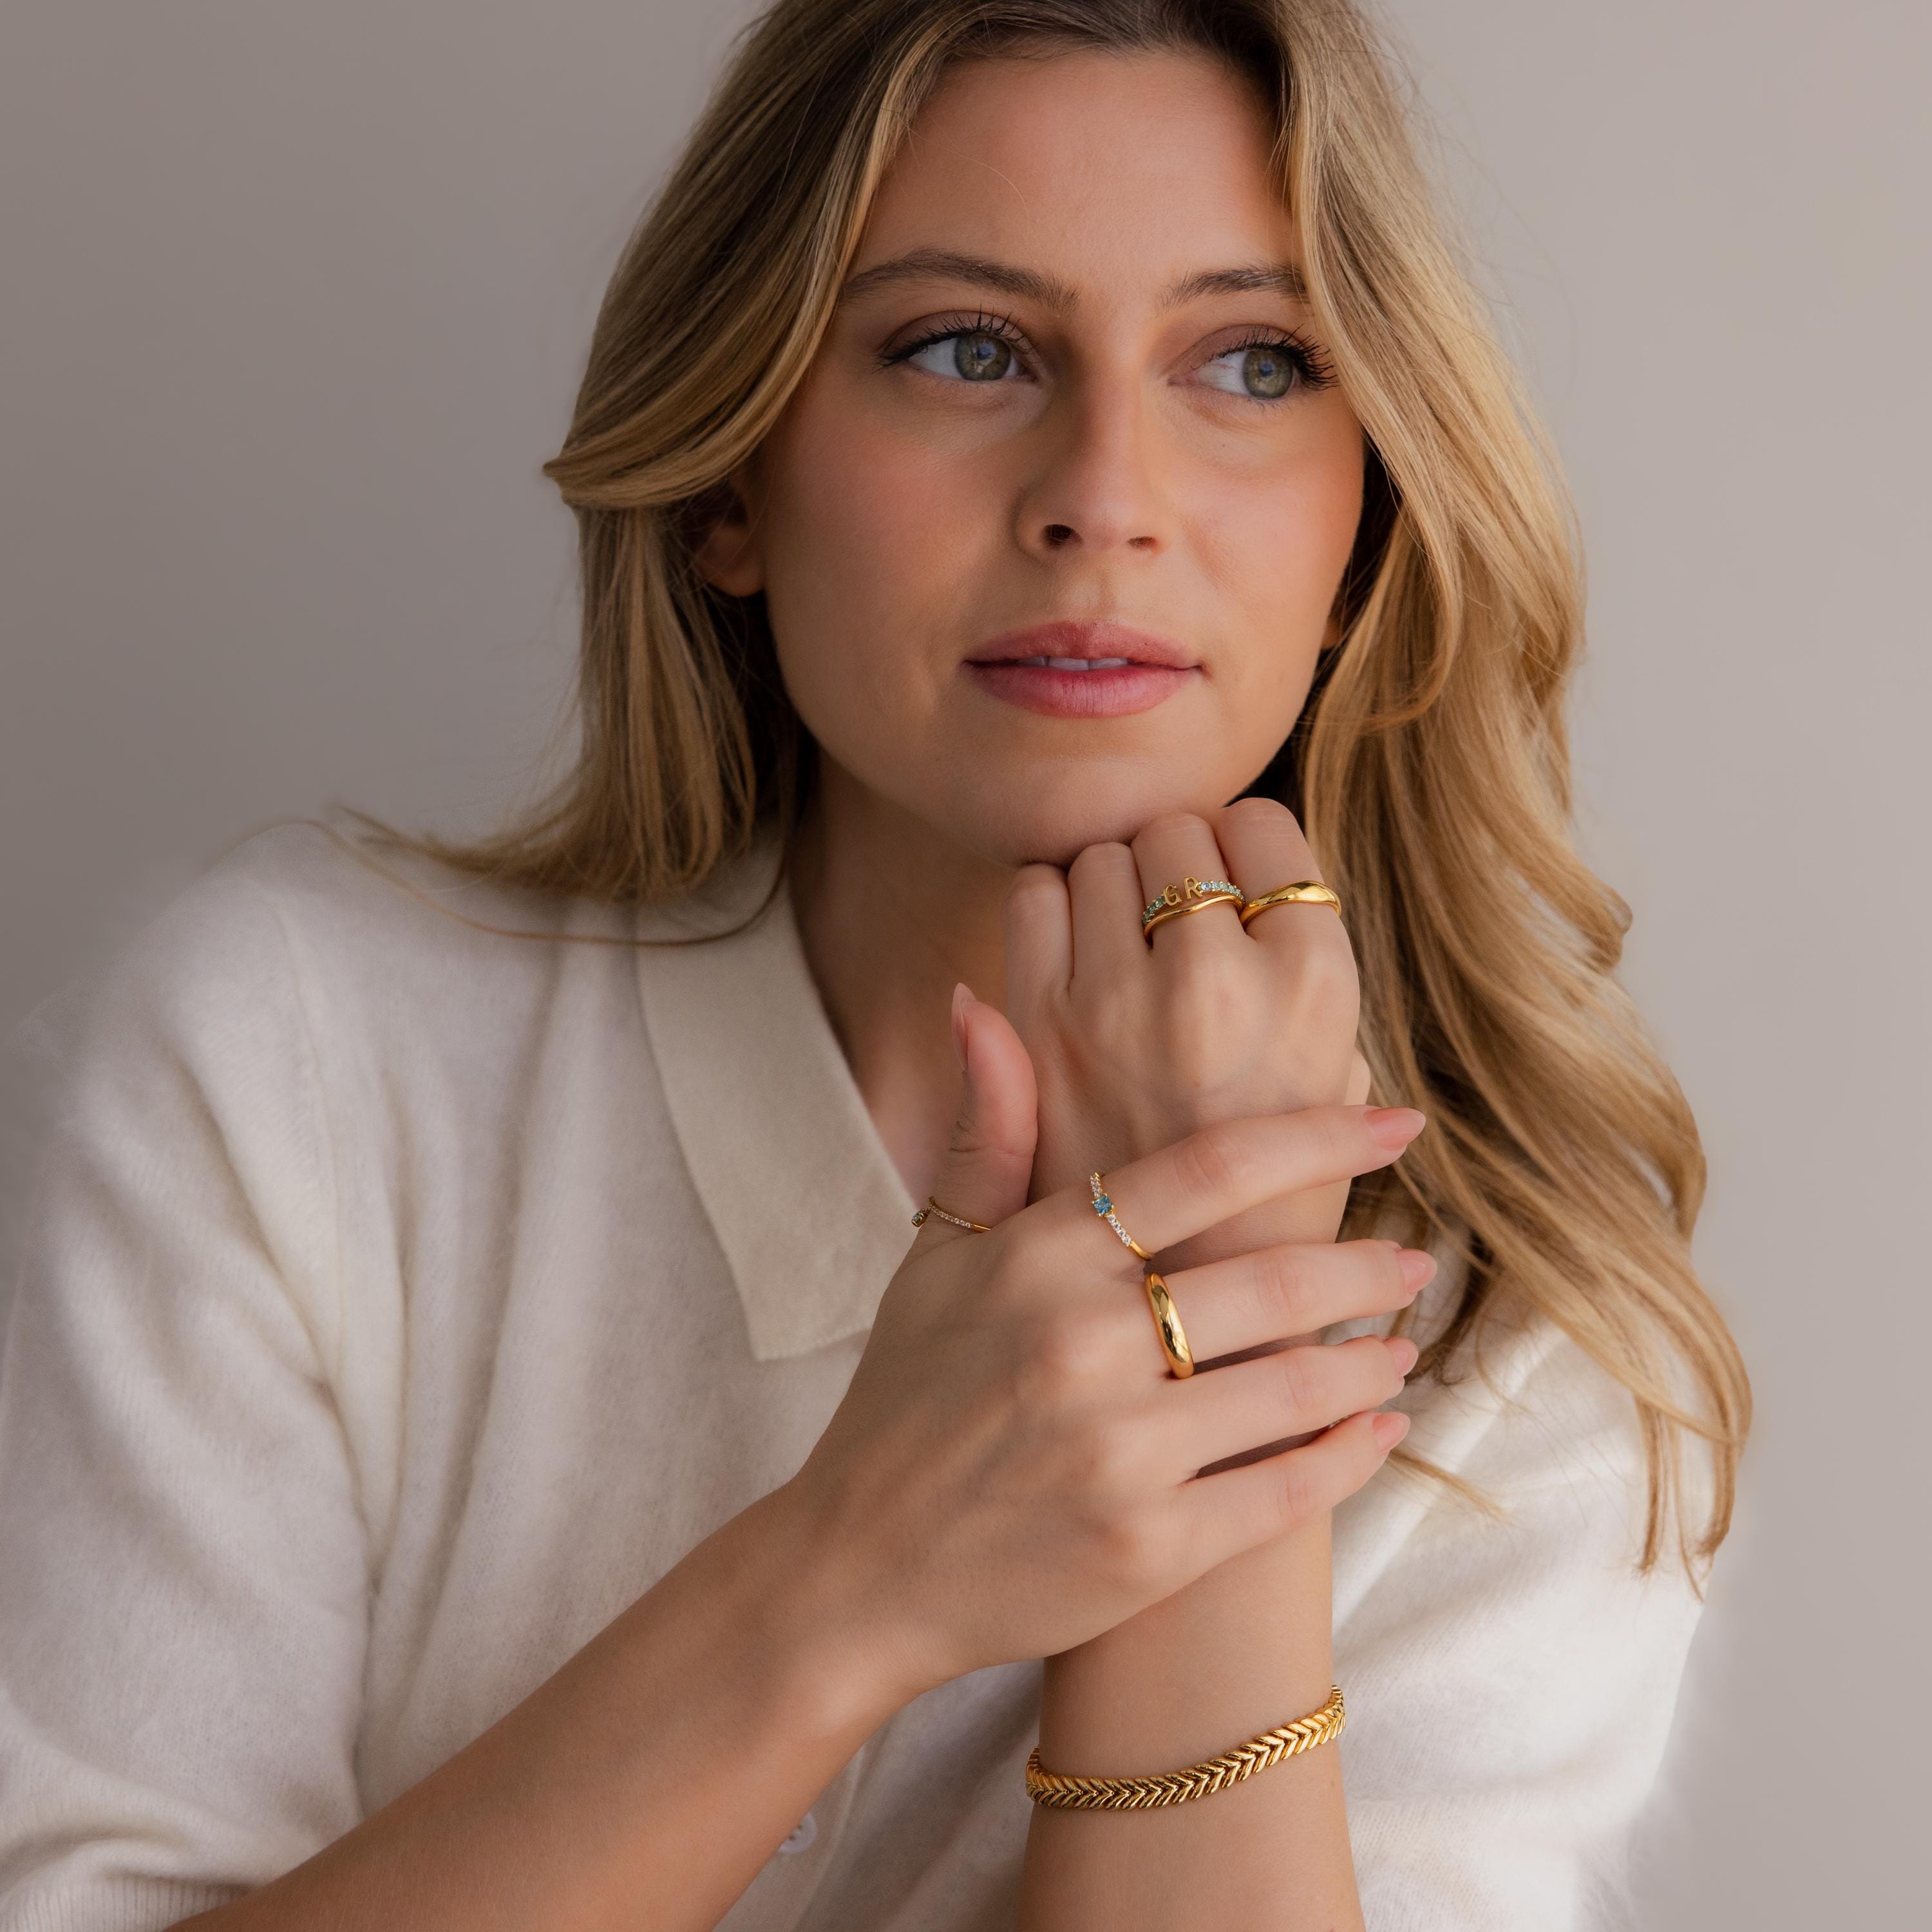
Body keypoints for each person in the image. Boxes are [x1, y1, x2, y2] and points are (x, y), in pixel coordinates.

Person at [0, 2, 1752, 1927]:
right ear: (733, 481)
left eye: (1254, 363)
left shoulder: (1530, 1359)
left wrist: (1229, 1324)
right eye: (966, 348)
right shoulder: (289, 1068)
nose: (1105, 493)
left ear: (1369, 523)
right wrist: (860, 1569)